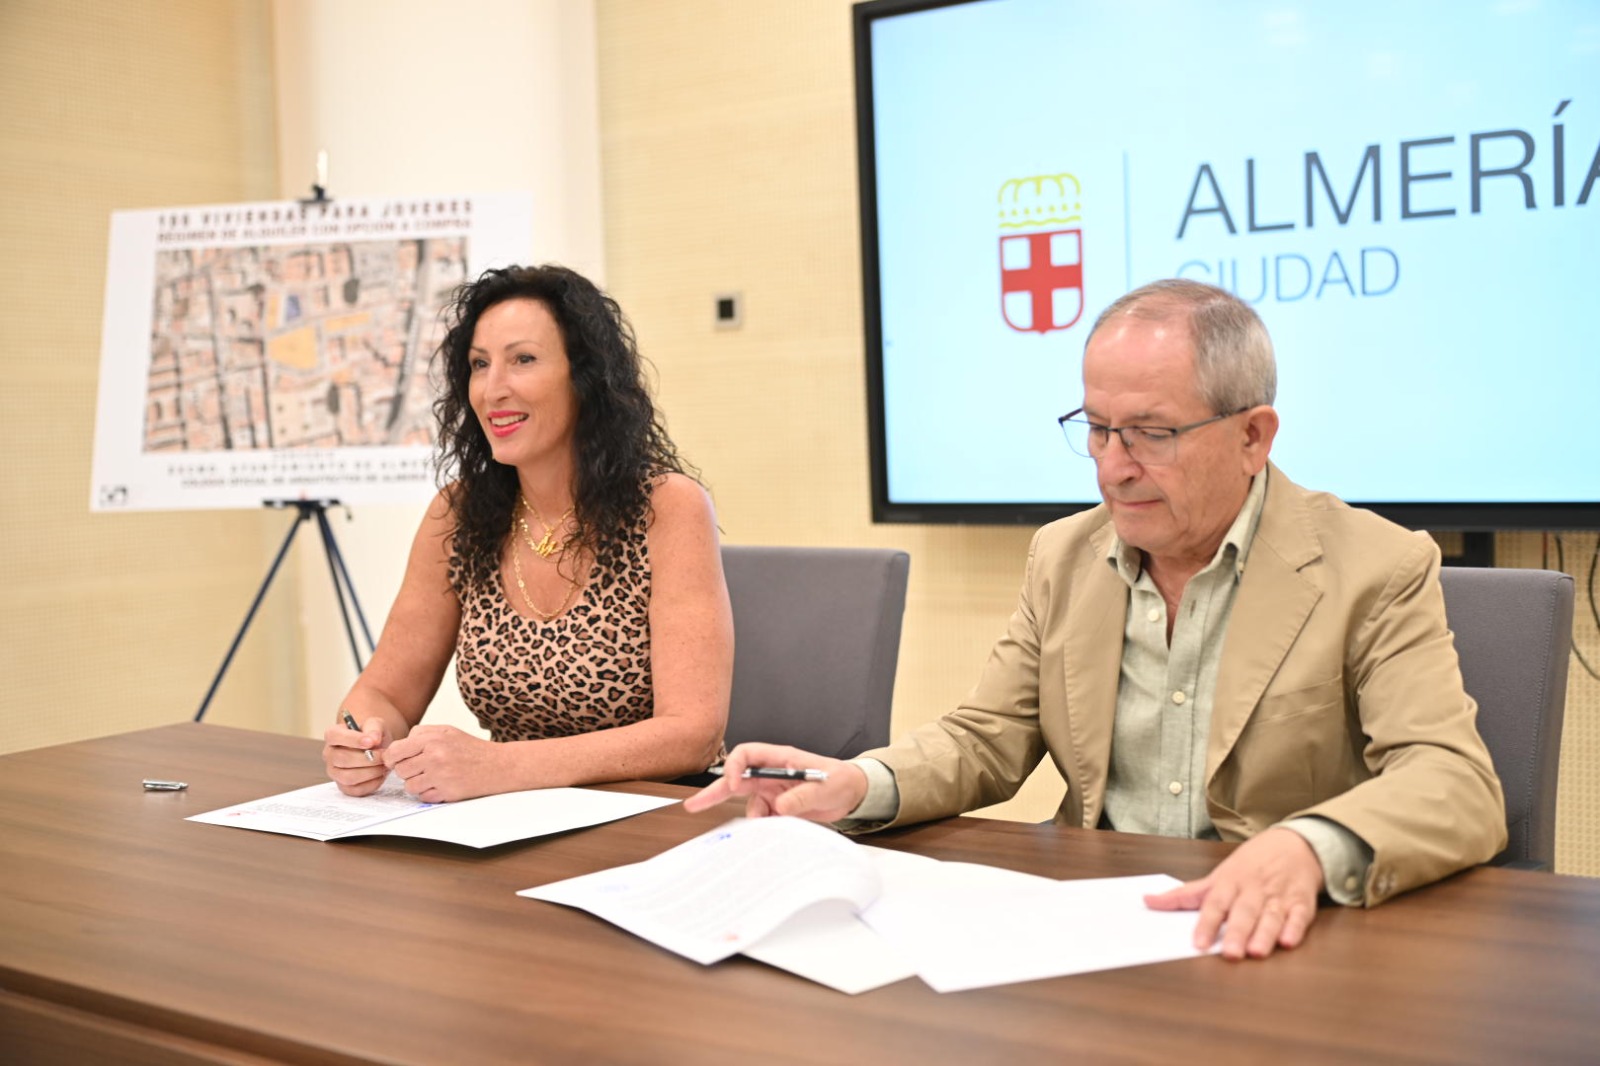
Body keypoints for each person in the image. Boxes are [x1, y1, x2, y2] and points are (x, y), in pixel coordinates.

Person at [687, 278, 1505, 961]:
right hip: (1095, 926)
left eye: (1151, 434)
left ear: (1253, 436)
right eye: (1097, 430)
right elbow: (986, 738)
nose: (1114, 468)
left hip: (1274, 936)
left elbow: (1454, 782)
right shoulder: (1064, 555)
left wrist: (1306, 848)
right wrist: (856, 783)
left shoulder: (1374, 565)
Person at [324, 264, 733, 802]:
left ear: (584, 377)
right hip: (513, 819)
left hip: (655, 813)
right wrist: (361, 740)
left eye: (523, 360)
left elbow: (692, 734)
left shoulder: (666, 507)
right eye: (480, 364)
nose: (493, 389)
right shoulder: (457, 514)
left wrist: (502, 765)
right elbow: (385, 693)